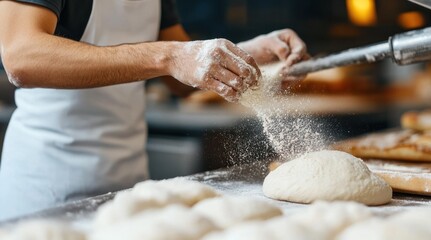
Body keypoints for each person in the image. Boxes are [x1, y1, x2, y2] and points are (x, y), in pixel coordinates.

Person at [0, 0, 309, 220]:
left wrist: (249, 54)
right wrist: (169, 56)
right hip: (47, 192)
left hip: (129, 190)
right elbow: (21, 57)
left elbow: (182, 76)